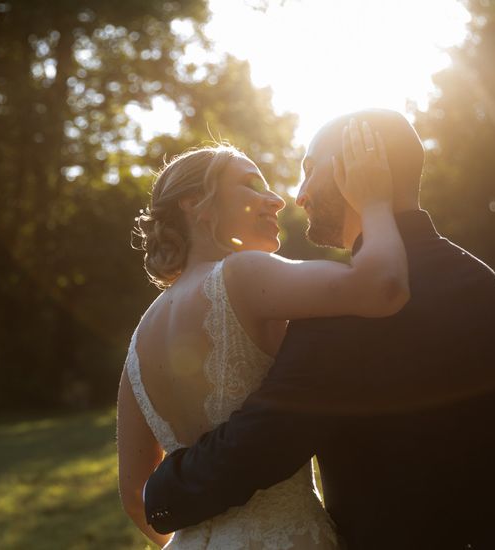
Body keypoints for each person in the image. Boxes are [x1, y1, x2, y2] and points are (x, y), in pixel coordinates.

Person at [142, 109, 495, 550]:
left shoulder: (346, 311)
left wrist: (160, 491)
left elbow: (261, 443)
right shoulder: (487, 284)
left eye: (309, 170)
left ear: (361, 166)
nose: (298, 196)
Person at [118, 117, 409, 548]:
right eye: (252, 185)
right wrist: (375, 204)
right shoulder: (241, 275)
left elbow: (137, 500)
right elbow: (383, 286)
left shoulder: (138, 343)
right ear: (195, 203)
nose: (275, 199)